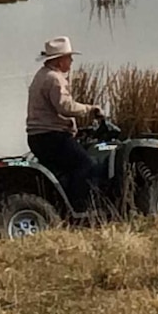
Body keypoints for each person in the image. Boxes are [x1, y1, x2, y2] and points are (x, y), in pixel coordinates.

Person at [26, 36, 102, 211]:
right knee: (86, 164)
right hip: (52, 137)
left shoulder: (42, 75)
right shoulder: (55, 79)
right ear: (60, 61)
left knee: (65, 170)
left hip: (39, 137)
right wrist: (90, 110)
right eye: (69, 57)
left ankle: (61, 205)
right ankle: (79, 208)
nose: (71, 61)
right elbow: (65, 107)